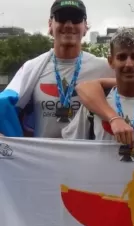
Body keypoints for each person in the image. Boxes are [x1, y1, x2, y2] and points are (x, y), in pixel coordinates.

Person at [0, 0, 114, 138]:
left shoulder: (105, 68)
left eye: (76, 19)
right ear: (50, 25)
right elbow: (4, 103)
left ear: (85, 27)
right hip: (42, 157)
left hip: (88, 157)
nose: (69, 25)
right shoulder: (32, 68)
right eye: (61, 18)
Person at [62, 28, 134, 144]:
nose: (129, 64)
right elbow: (71, 148)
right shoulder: (93, 105)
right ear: (111, 61)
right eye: (121, 57)